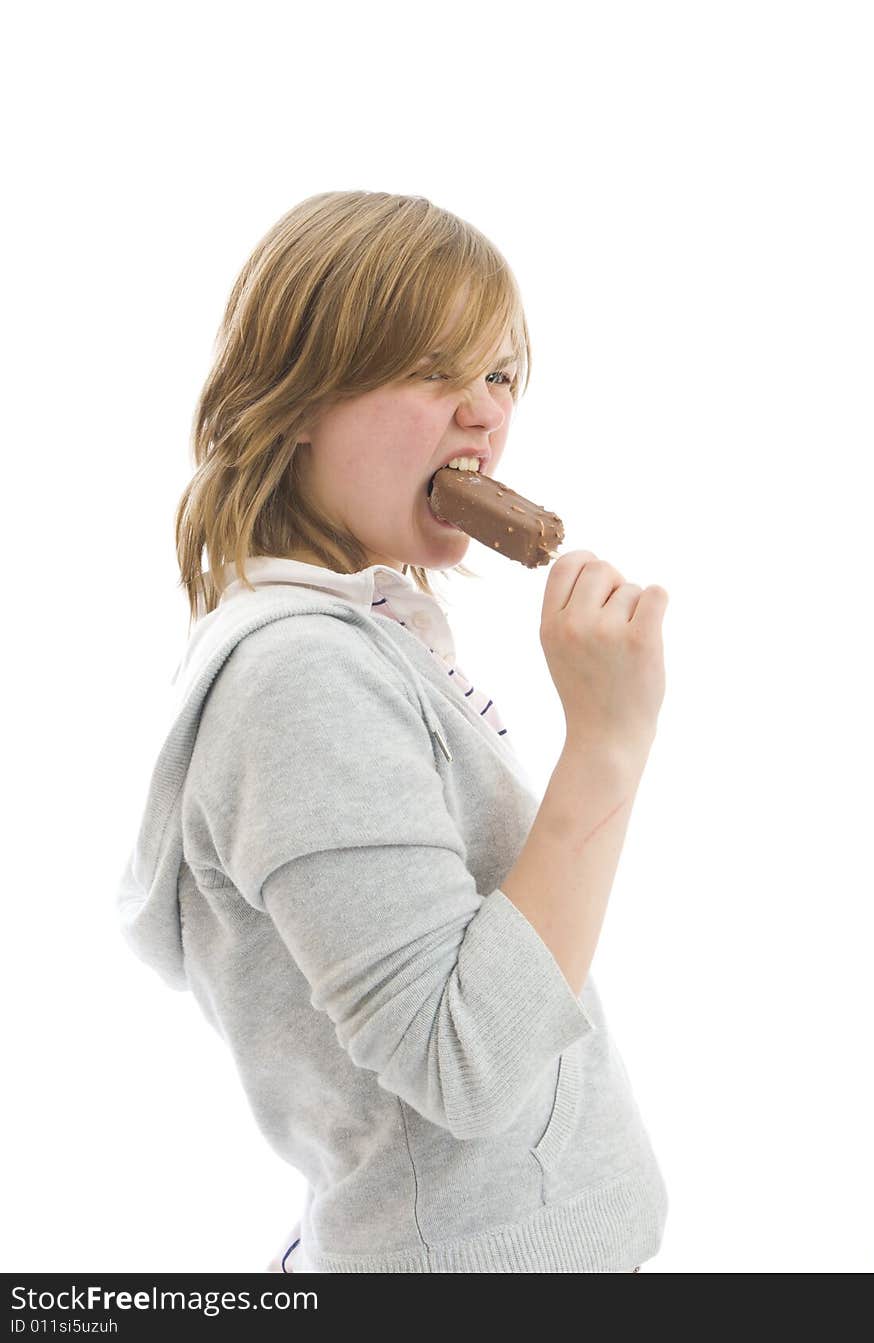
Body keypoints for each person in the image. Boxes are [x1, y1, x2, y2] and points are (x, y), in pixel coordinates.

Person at [115, 190, 670, 1273]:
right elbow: (464, 1061)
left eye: (499, 374)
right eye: (431, 367)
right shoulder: (298, 677)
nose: (484, 414)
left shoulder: (366, 640)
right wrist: (606, 742)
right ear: (295, 401)